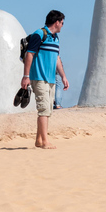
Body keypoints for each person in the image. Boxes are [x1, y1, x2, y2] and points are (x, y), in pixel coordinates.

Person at [21, 10, 69, 149]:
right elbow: (30, 54)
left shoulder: (55, 39)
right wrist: (26, 76)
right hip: (39, 78)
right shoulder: (39, 34)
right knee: (43, 109)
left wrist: (63, 76)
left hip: (51, 80)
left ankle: (39, 140)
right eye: (62, 23)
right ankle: (45, 141)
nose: (62, 26)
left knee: (48, 110)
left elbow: (57, 58)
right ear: (57, 22)